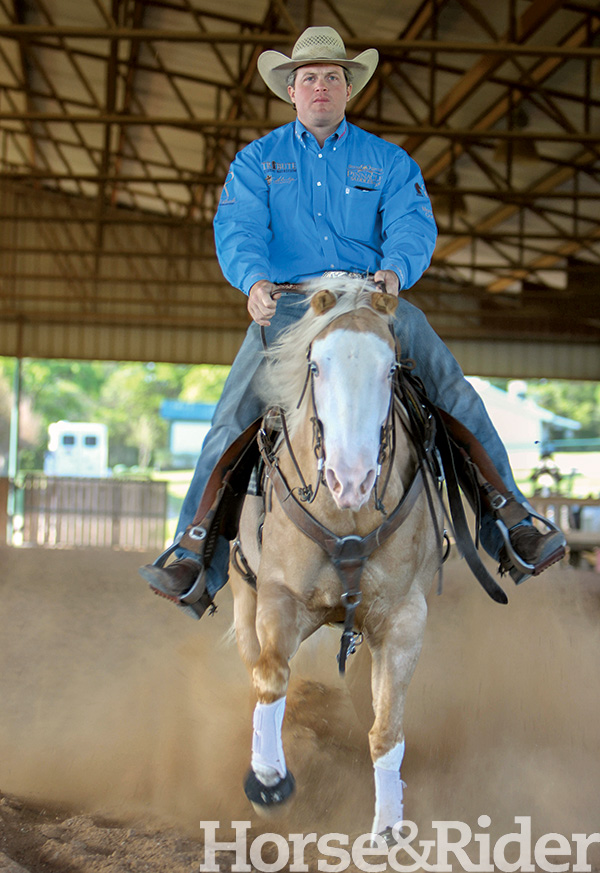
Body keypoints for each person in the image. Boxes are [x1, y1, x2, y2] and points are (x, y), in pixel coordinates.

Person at [140, 26, 565, 619]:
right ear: (292, 91)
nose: (320, 86)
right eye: (308, 77)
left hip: (371, 298)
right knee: (230, 416)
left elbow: (413, 222)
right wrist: (254, 281)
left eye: (332, 77)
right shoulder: (257, 161)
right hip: (290, 304)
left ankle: (511, 519)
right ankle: (194, 547)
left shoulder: (388, 160)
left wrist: (396, 270)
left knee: (456, 392)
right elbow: (237, 230)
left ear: (347, 90)